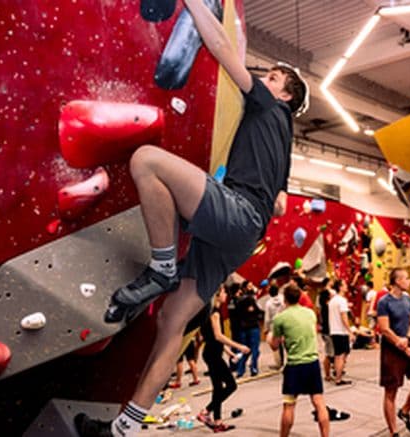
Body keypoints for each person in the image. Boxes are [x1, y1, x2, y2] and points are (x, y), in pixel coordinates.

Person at [74, 0, 309, 433]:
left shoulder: (266, 106)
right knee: (170, 322)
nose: (262, 79)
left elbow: (221, 46)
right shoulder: (284, 139)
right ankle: (123, 428)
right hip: (244, 232)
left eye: (272, 78)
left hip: (238, 213)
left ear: (285, 94)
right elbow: (280, 205)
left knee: (146, 160)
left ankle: (162, 267)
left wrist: (196, 5)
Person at [270, 284, 330, 437]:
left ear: (285, 299)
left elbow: (274, 346)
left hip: (294, 365)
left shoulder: (280, 319)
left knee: (289, 405)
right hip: (312, 363)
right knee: (319, 403)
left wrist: (274, 336)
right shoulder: (310, 314)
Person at [378, 268, 410, 436]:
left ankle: (405, 411)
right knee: (391, 392)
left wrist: (407, 338)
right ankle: (393, 432)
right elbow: (384, 329)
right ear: (398, 281)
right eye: (406, 278)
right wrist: (401, 344)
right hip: (391, 351)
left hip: (407, 344)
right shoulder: (384, 302)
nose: (409, 281)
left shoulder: (407, 299)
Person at [196, 285, 250, 432]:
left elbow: (214, 339)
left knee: (218, 388)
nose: (226, 295)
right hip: (213, 354)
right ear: (218, 295)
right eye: (224, 292)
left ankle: (218, 422)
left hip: (211, 352)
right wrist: (239, 347)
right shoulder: (215, 313)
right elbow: (219, 336)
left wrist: (230, 354)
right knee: (231, 385)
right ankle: (205, 412)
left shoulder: (208, 312)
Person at [328, 280, 354, 385]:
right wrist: (349, 331)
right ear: (340, 287)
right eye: (344, 285)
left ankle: (337, 375)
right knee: (342, 355)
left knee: (337, 355)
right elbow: (344, 317)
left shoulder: (332, 301)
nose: (346, 286)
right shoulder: (342, 300)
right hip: (341, 331)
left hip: (334, 330)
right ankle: (338, 378)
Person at [235, 285, 263, 377]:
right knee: (254, 349)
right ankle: (253, 368)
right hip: (253, 327)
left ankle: (240, 370)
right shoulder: (251, 300)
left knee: (243, 350)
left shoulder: (238, 302)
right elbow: (258, 312)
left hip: (242, 328)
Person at [316, 278, 336, 382]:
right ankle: (327, 374)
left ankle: (331, 371)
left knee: (331, 352)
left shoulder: (325, 307)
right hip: (328, 331)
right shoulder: (327, 308)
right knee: (329, 354)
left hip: (327, 330)